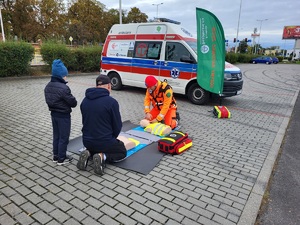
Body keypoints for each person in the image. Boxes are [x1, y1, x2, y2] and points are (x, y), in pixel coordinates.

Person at [77, 75, 127, 176]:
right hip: (104, 141)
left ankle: (89, 153)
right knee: (122, 151)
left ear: (96, 86)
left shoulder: (84, 101)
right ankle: (102, 156)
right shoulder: (112, 102)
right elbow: (117, 126)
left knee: (95, 145)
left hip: (87, 141)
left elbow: (85, 122)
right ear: (109, 86)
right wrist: (112, 138)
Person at [44, 59, 77, 165]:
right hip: (64, 116)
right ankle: (62, 159)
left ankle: (56, 156)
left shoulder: (48, 86)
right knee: (64, 137)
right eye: (65, 75)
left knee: (56, 136)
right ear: (61, 75)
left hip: (53, 114)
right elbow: (73, 103)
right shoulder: (64, 88)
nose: (66, 77)